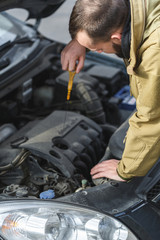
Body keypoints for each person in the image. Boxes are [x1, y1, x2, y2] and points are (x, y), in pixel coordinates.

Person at [61, 0, 160, 182]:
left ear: (116, 37)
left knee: (120, 145)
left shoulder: (155, 53)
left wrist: (126, 169)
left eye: (97, 49)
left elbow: (153, 119)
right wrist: (80, 41)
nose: (97, 52)